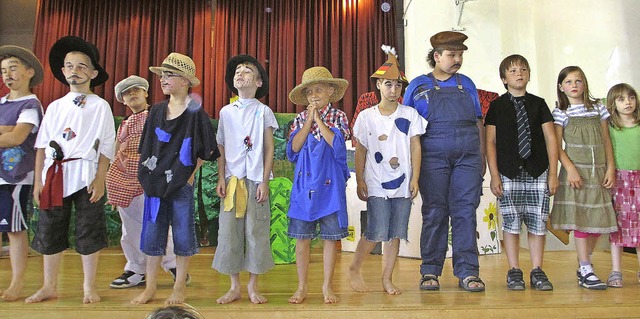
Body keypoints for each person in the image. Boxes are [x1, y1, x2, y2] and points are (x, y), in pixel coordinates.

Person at [26, 36, 115, 304]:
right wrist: (38, 182)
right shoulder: (55, 106)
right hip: (54, 175)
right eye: (69, 66)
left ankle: (89, 286)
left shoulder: (101, 106)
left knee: (89, 229)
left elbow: (107, 146)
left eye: (81, 66)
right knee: (50, 229)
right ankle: (49, 285)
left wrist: (101, 178)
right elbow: (41, 146)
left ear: (93, 72)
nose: (75, 70)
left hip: (85, 173)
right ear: (63, 72)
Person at [131, 53, 218, 305]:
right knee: (152, 234)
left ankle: (179, 286)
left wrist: (189, 176)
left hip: (181, 184)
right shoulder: (156, 111)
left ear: (185, 81)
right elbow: (146, 147)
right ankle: (149, 287)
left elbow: (205, 150)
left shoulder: (196, 113)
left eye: (170, 75)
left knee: (183, 233)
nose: (163, 79)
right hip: (154, 184)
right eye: (162, 75)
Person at [403, 31, 486, 292]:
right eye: (452, 55)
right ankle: (430, 270)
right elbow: (405, 128)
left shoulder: (468, 84)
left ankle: (468, 272)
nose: (457, 59)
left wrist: (481, 157)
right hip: (432, 156)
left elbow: (478, 122)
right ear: (436, 57)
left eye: (460, 55)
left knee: (465, 211)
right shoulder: (417, 86)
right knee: (435, 211)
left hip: (468, 156)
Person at [348, 48, 426, 295]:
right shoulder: (366, 117)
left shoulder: (410, 114)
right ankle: (354, 268)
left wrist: (415, 178)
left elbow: (415, 146)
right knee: (376, 231)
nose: (394, 90)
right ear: (379, 85)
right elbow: (360, 150)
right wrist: (360, 179)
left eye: (398, 85)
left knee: (394, 234)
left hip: (402, 185)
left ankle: (387, 278)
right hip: (376, 182)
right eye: (388, 84)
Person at [485, 54, 558, 291]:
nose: (519, 73)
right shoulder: (496, 106)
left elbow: (550, 138)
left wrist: (553, 173)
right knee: (511, 223)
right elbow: (490, 143)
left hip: (538, 170)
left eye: (523, 70)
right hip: (508, 172)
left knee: (538, 222)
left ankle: (537, 269)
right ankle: (514, 269)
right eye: (513, 70)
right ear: (504, 78)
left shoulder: (539, 103)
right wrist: (495, 175)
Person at [212, 55, 277, 304]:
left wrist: (264, 181)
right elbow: (221, 146)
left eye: (248, 70)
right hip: (232, 180)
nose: (241, 73)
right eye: (238, 71)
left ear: (259, 82)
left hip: (255, 179)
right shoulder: (226, 112)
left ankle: (253, 285)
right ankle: (233, 286)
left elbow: (269, 148)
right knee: (229, 232)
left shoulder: (264, 111)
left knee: (256, 230)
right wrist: (221, 177)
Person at [106, 75, 180, 289]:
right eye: (127, 93)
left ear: (146, 92)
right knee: (130, 227)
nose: (132, 94)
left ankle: (173, 264)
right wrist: (113, 184)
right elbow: (116, 153)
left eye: (136, 90)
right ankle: (137, 269)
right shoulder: (124, 125)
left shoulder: (159, 115)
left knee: (158, 223)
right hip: (124, 181)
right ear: (123, 100)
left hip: (151, 179)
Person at [286, 66, 350, 304]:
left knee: (330, 239)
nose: (314, 95)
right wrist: (308, 121)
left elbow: (338, 146)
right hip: (304, 186)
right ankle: (302, 286)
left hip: (330, 186)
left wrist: (319, 121)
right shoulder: (299, 119)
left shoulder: (339, 117)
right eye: (310, 91)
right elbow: (293, 149)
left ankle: (327, 286)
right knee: (301, 238)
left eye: (319, 90)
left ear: (330, 91)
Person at [550, 66, 617, 290]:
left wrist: (610, 168)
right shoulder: (561, 112)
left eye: (578, 81)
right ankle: (587, 266)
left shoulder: (598, 108)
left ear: (584, 83)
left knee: (597, 222)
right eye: (568, 82)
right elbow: (556, 146)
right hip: (577, 174)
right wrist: (570, 169)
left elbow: (607, 141)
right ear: (561, 87)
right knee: (581, 221)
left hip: (598, 172)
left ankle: (583, 263)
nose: (574, 85)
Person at [0, 45, 44, 301]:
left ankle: (16, 284)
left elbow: (16, 137)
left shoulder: (31, 104)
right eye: (4, 70)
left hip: (15, 177)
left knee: (15, 229)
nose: (8, 74)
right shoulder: (3, 103)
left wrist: (9, 132)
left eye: (13, 68)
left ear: (29, 71)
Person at [605, 83, 640, 288]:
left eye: (631, 97)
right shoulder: (611, 127)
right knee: (617, 227)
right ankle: (616, 270)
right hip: (620, 180)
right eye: (621, 99)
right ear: (613, 103)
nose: (628, 102)